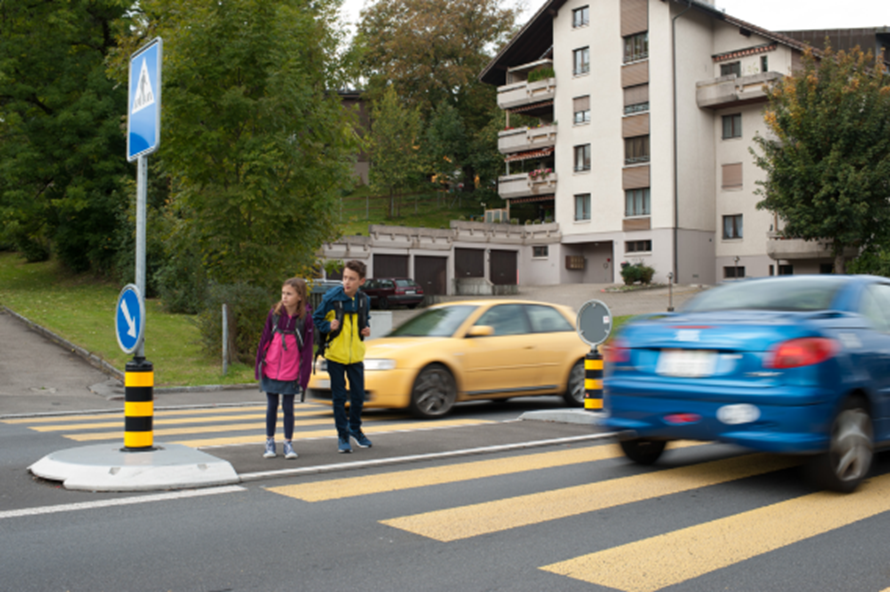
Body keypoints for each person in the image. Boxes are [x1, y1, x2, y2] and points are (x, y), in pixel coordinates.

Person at [313, 260, 372, 453]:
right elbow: (317, 318)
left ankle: (355, 428)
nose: (346, 282)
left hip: (356, 356)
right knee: (339, 398)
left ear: (361, 281)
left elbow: (365, 320)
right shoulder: (332, 298)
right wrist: (327, 326)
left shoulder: (364, 300)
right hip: (335, 356)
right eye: (345, 277)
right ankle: (342, 435)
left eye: (351, 279)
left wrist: (366, 329)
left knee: (359, 396)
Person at [255, 278, 314, 459]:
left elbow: (307, 349)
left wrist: (303, 376)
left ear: (299, 297)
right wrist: (259, 366)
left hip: (291, 371)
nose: (285, 297)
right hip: (271, 367)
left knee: (288, 407)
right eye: (283, 293)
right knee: (271, 405)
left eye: (289, 294)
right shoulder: (274, 314)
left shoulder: (305, 320)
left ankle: (288, 443)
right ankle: (270, 442)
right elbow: (264, 340)